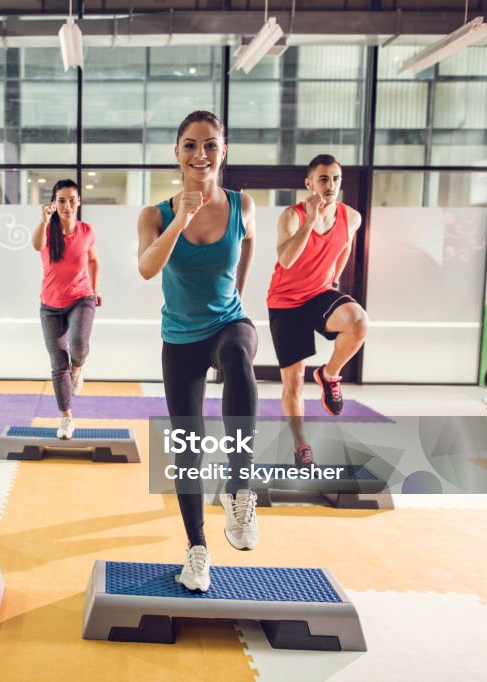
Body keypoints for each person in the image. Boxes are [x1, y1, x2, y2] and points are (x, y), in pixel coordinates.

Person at [137, 110, 259, 593]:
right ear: (177, 153)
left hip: (229, 322)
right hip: (181, 337)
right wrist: (181, 219)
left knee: (238, 360)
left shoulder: (242, 204)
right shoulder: (154, 215)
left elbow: (248, 244)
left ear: (223, 150)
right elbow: (147, 269)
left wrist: (239, 295)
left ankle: (239, 488)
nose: (200, 154)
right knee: (187, 450)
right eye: (190, 145)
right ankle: (197, 551)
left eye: (210, 145)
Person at [267, 154, 368, 467]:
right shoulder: (292, 216)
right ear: (309, 183)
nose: (331, 185)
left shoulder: (351, 216)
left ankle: (329, 374)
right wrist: (310, 221)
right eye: (324, 179)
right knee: (293, 382)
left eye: (336, 178)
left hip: (318, 294)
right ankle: (300, 444)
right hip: (285, 302)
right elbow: (286, 260)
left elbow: (346, 245)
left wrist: (333, 278)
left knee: (358, 323)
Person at [32, 179, 101, 439]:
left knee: (79, 344)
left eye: (72, 200)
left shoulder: (87, 231)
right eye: (62, 200)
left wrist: (95, 290)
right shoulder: (47, 231)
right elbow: (36, 245)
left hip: (81, 297)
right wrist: (43, 219)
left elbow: (93, 261)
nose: (67, 205)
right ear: (54, 203)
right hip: (49, 305)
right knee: (57, 362)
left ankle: (78, 369)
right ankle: (66, 419)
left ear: (79, 202)